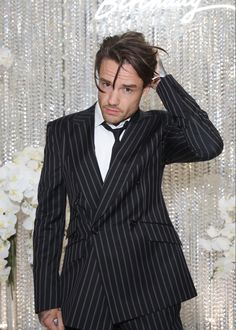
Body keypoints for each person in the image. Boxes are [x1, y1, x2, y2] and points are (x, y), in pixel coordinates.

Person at [33, 31, 223, 330]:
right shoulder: (63, 131)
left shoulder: (157, 129)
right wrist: (46, 298)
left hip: (149, 282)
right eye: (106, 84)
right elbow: (49, 218)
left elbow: (208, 145)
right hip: (85, 285)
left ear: (146, 88)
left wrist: (164, 80)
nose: (112, 99)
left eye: (127, 89)